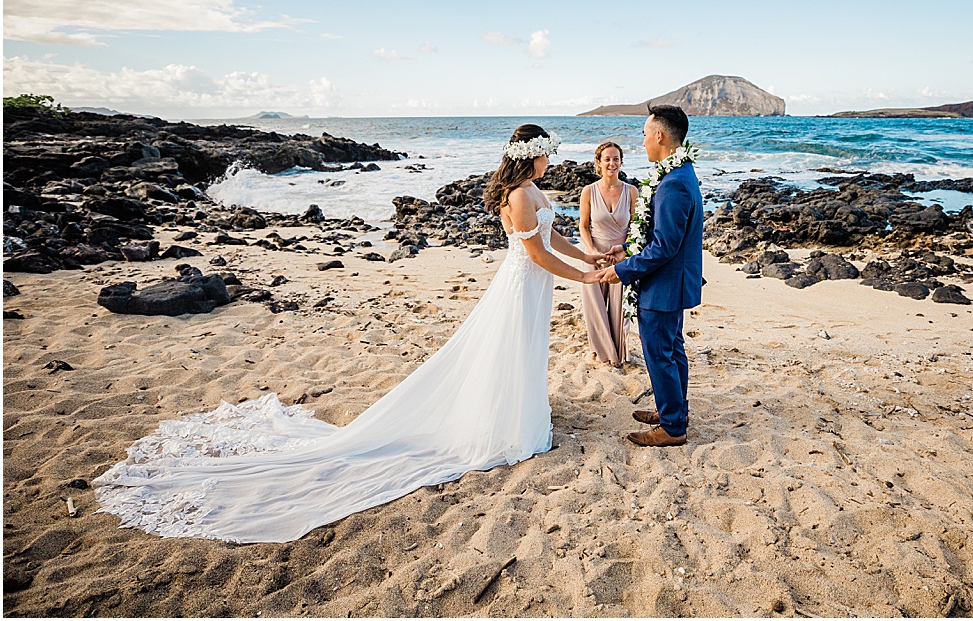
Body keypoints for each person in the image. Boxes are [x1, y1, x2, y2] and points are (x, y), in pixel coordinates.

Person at [93, 125, 606, 543]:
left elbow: (554, 237)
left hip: (535, 286)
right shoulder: (517, 195)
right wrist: (585, 277)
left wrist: (590, 254)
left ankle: (519, 415)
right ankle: (505, 426)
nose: (549, 162)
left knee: (524, 352)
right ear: (529, 157)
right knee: (509, 351)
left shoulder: (536, 191)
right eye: (545, 155)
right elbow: (536, 254)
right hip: (521, 284)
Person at [597, 105, 702, 447]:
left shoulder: (673, 185)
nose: (642, 142)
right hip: (672, 282)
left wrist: (621, 271)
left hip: (664, 286)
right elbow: (658, 237)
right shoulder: (680, 174)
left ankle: (672, 427)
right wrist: (626, 250)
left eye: (644, 134)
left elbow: (663, 248)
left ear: (659, 135)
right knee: (672, 350)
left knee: (660, 353)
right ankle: (674, 411)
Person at [578, 141, 637, 367]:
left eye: (616, 159)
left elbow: (638, 228)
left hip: (621, 259)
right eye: (607, 159)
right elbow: (583, 226)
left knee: (619, 308)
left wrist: (625, 250)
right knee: (595, 308)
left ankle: (618, 353)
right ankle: (602, 352)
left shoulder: (631, 191)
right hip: (594, 258)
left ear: (621, 162)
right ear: (598, 163)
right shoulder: (588, 191)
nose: (612, 163)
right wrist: (592, 252)